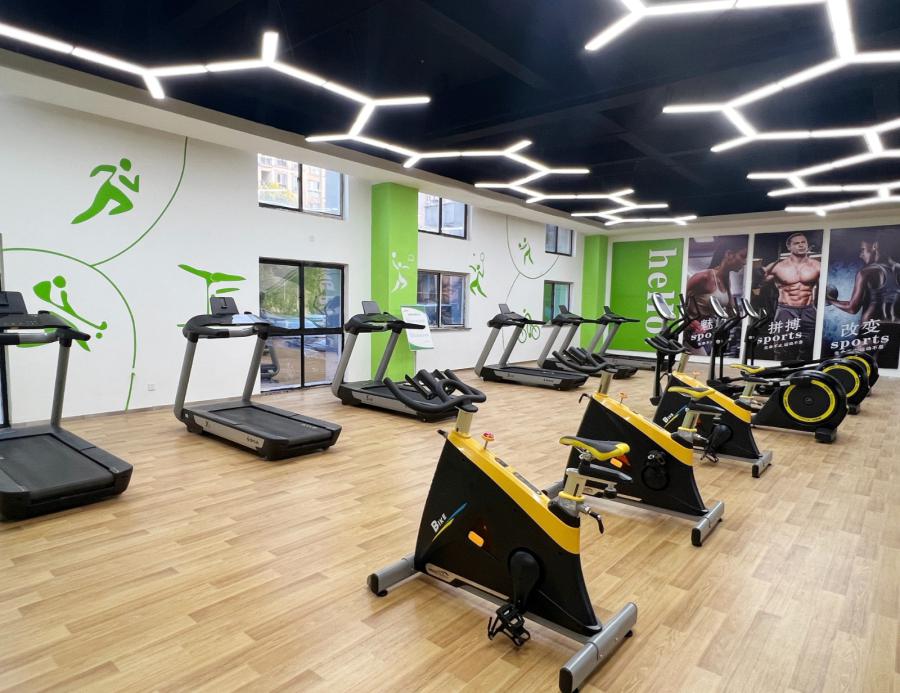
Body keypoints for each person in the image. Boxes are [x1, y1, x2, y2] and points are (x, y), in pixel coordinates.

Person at [761, 232, 821, 360]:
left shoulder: (817, 265)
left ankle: (804, 371)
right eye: (797, 243)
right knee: (782, 348)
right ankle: (779, 371)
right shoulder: (779, 266)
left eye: (803, 242)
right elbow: (760, 282)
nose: (801, 245)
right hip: (786, 310)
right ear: (789, 247)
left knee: (810, 346)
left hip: (809, 309)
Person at [685, 237, 747, 354]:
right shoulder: (704, 277)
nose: (744, 262)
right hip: (688, 333)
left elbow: (731, 311)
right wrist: (690, 321)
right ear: (729, 254)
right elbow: (677, 301)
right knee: (701, 362)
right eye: (743, 256)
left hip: (705, 334)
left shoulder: (726, 280)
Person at [826, 232, 900, 324]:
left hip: (872, 326)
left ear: (875, 246)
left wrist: (829, 301)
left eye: (863, 249)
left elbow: (852, 308)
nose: (861, 255)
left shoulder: (865, 272)